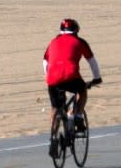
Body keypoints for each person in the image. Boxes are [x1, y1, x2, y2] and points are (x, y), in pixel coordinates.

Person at [43, 18, 102, 157]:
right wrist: (97, 78)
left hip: (52, 79)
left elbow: (45, 62)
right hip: (71, 77)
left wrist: (48, 76)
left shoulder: (53, 41)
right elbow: (92, 62)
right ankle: (78, 116)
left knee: (55, 108)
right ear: (76, 30)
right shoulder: (80, 42)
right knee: (82, 90)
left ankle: (53, 138)